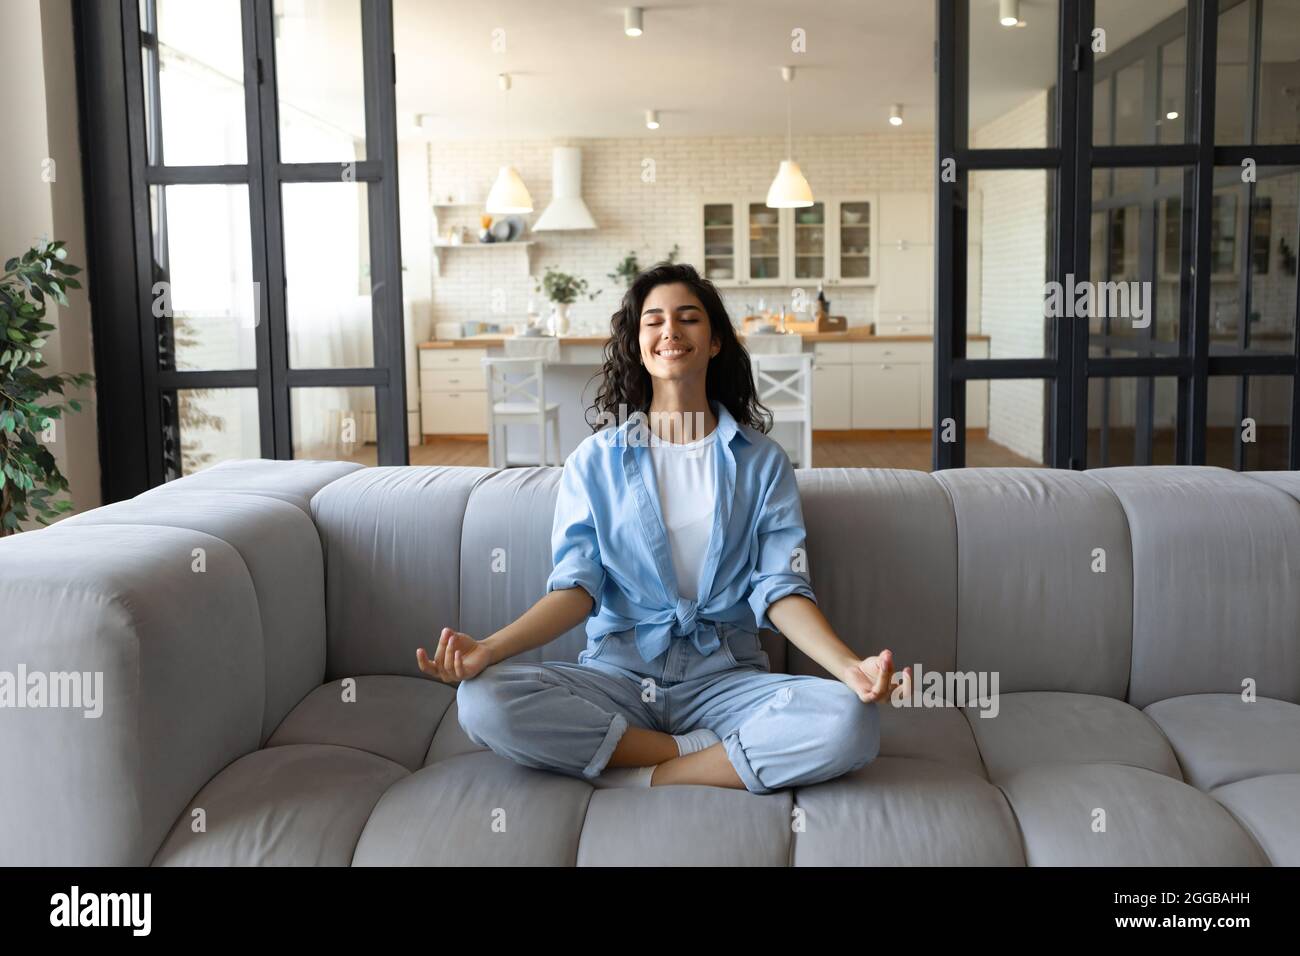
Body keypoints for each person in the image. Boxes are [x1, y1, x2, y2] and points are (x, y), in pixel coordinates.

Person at [416, 262, 909, 793]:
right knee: (482, 700)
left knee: (850, 720)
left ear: (715, 340)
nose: (669, 330)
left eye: (688, 318)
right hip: (617, 678)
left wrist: (849, 667)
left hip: (727, 680)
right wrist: (489, 650)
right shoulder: (594, 461)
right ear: (639, 342)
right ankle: (692, 755)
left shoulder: (763, 463)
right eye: (653, 321)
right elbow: (577, 589)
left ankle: (642, 774)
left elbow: (780, 588)